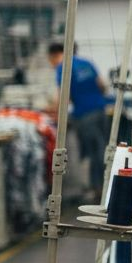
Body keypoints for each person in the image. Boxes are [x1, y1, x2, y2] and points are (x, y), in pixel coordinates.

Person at [47, 42, 111, 199]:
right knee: (102, 149)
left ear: (55, 55)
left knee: (91, 153)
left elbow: (64, 97)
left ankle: (96, 190)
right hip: (100, 111)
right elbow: (102, 86)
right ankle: (103, 187)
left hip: (84, 115)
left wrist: (53, 111)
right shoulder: (87, 63)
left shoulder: (63, 67)